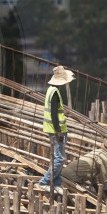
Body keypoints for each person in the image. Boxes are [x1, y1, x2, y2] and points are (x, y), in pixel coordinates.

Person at [37, 65, 75, 195]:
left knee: (59, 157)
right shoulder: (54, 92)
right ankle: (44, 182)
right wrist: (59, 130)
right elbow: (53, 114)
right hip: (55, 130)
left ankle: (57, 182)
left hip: (55, 129)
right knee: (60, 158)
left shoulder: (51, 89)